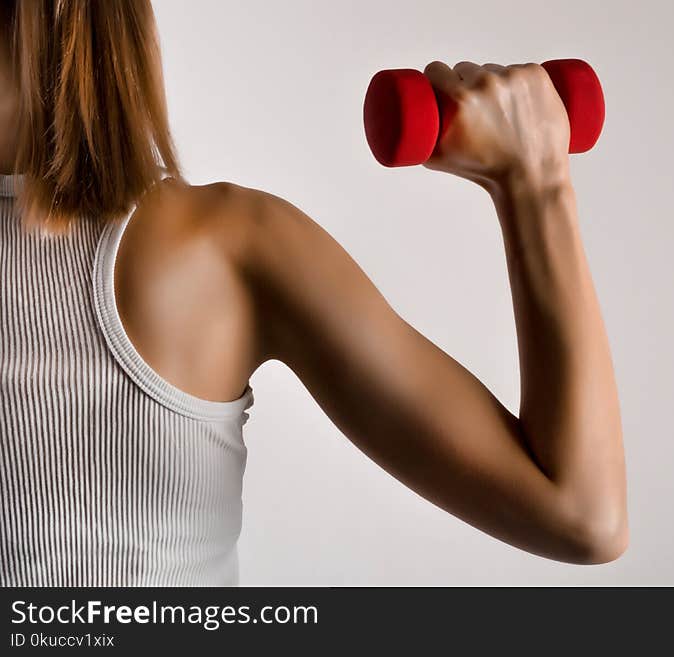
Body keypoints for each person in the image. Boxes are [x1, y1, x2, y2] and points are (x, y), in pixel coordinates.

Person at [0, 0, 628, 586]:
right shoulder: (222, 246)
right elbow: (581, 515)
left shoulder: (222, 248)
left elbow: (580, 518)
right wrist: (536, 179)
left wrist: (537, 185)